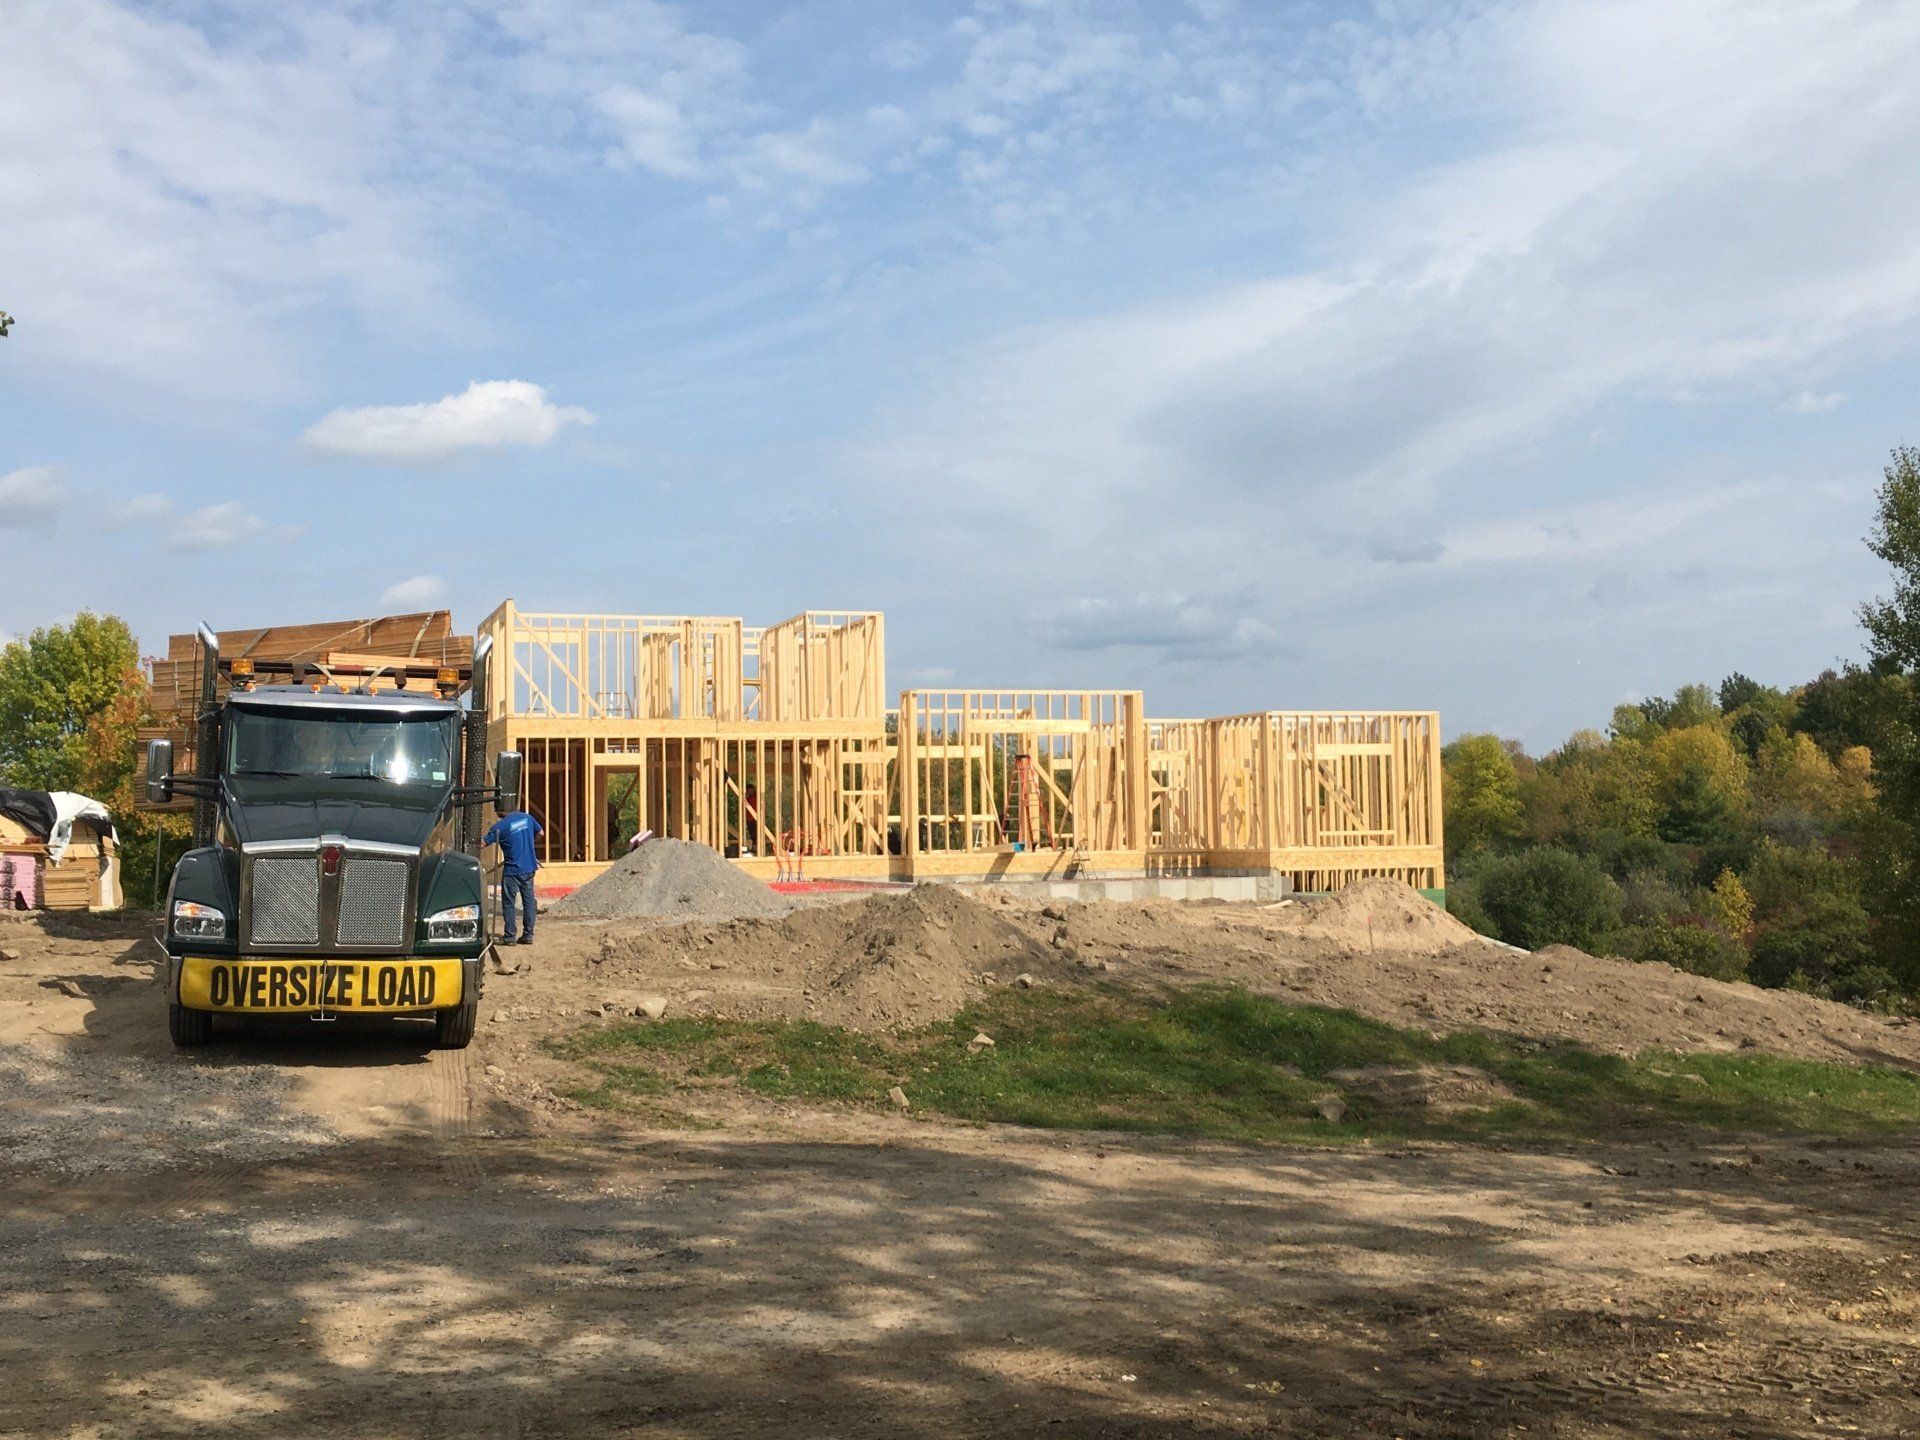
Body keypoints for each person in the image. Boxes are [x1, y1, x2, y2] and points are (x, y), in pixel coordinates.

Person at [483, 806, 543, 948]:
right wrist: (530, 844)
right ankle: (528, 935)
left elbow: (483, 843)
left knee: (509, 903)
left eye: (497, 810)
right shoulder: (527, 818)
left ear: (501, 810)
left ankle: (510, 937)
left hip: (512, 871)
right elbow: (541, 833)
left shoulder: (500, 827)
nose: (495, 812)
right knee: (528, 902)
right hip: (529, 867)